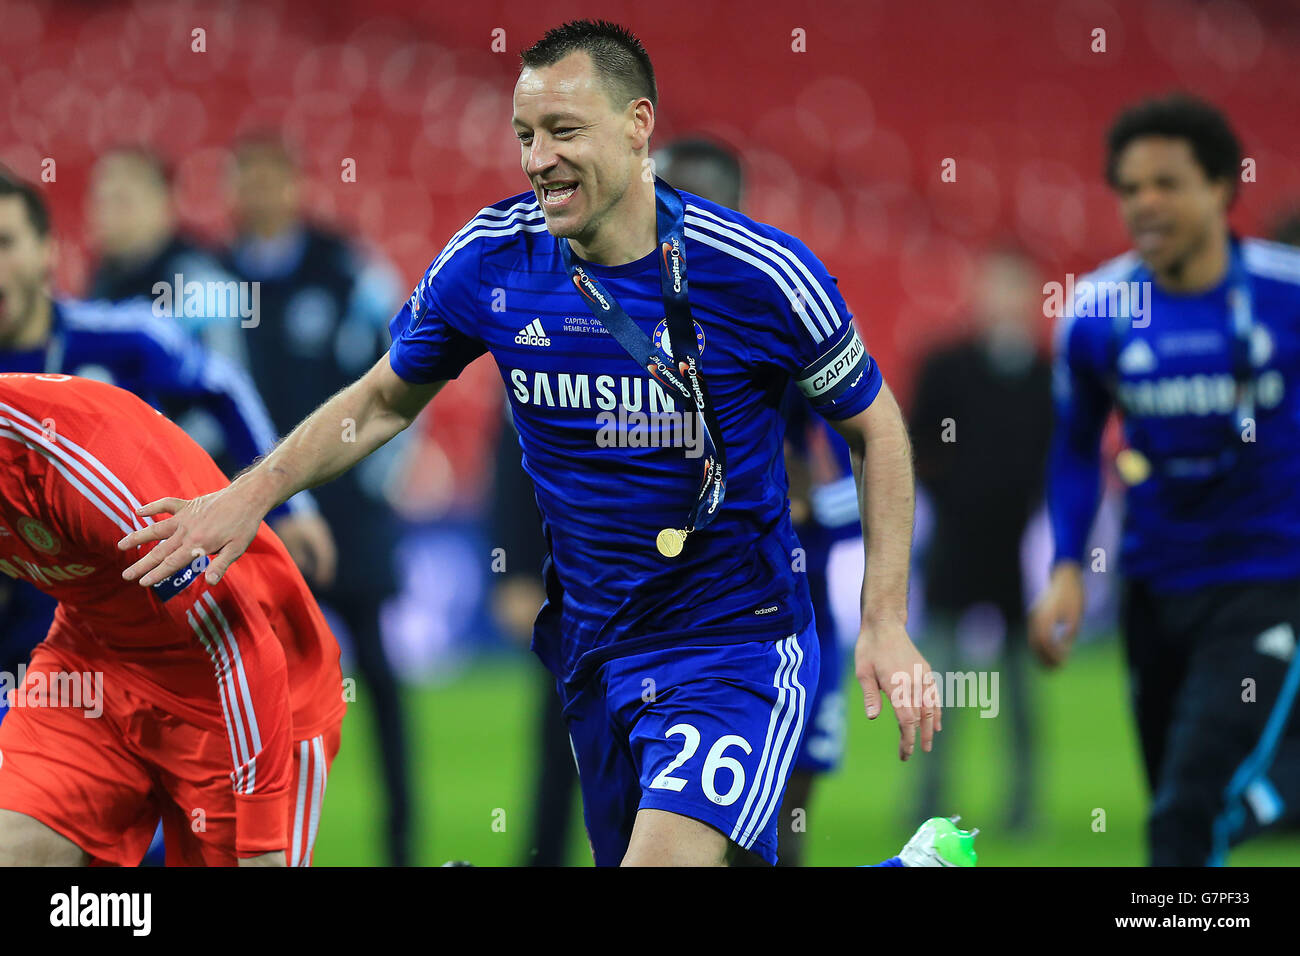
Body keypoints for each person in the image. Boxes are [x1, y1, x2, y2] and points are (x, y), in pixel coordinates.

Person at [118, 20, 938, 867]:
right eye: (525, 135)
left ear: (638, 124)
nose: (537, 158)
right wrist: (246, 497)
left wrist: (884, 620)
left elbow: (876, 426)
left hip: (733, 645)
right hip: (594, 649)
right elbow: (384, 400)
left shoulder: (759, 273)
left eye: (564, 131)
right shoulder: (492, 260)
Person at [1031, 94, 1300, 865]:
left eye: (1167, 184)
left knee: (1185, 810)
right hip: (1154, 586)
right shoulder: (1098, 313)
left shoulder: (1288, 298)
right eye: (1129, 187)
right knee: (1179, 811)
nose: (1145, 204)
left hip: (1266, 582)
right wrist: (1064, 569)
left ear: (1221, 187)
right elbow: (1077, 447)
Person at [0, 172, 334, 724]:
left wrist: (289, 506)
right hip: (25, 616)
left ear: (46, 253)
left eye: (6, 243)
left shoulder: (122, 335)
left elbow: (223, 386)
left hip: (138, 602)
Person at [0, 373, 345, 866]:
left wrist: (262, 845)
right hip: (95, 666)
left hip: (240, 694)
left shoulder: (91, 472)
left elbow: (241, 646)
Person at [654, 136, 855, 866]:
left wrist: (807, 509)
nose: (685, 222)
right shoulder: (621, 319)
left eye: (707, 205)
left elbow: (865, 462)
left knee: (775, 838)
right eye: (672, 201)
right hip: (659, 623)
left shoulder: (778, 317)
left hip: (785, 618)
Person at [225, 135, 414, 866]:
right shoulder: (211, 277)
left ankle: (400, 841)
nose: (262, 196)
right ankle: (248, 838)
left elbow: (408, 361)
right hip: (259, 520)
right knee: (244, 686)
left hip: (348, 519)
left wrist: (373, 482)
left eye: (274, 180)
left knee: (380, 675)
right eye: (249, 181)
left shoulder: (345, 266)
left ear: (295, 185)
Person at [910, 246, 1051, 831]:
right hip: (956, 550)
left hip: (1016, 552)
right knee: (937, 684)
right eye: (994, 288)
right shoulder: (946, 366)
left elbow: (1057, 455)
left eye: (1013, 289)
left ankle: (1022, 808)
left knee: (1020, 692)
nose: (1002, 301)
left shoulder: (1046, 374)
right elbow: (918, 448)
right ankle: (927, 803)